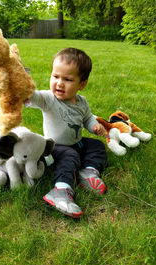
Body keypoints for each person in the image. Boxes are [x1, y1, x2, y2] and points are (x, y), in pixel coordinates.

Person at [24, 47, 107, 218]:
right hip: (53, 148)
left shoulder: (82, 102)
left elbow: (88, 118)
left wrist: (94, 126)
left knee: (96, 145)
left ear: (81, 84)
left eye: (67, 79)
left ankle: (89, 172)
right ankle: (61, 190)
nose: (59, 83)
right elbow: (31, 96)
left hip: (76, 143)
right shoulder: (48, 99)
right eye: (55, 76)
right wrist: (22, 79)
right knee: (70, 156)